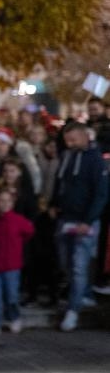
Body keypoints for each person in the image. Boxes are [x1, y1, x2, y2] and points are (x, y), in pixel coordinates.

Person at [51, 122, 109, 331]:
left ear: (84, 137)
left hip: (85, 222)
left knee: (78, 266)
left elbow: (101, 193)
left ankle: (73, 310)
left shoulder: (95, 160)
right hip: (65, 218)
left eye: (73, 139)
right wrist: (54, 204)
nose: (70, 143)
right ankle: (83, 294)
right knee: (66, 262)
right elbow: (61, 182)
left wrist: (89, 220)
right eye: (67, 140)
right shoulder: (67, 156)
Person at [0, 187, 34, 336]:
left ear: (12, 203)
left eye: (7, 201)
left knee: (11, 296)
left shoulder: (18, 220)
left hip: (12, 267)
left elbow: (29, 231)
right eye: (1, 200)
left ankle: (13, 318)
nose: (4, 204)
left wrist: (18, 246)